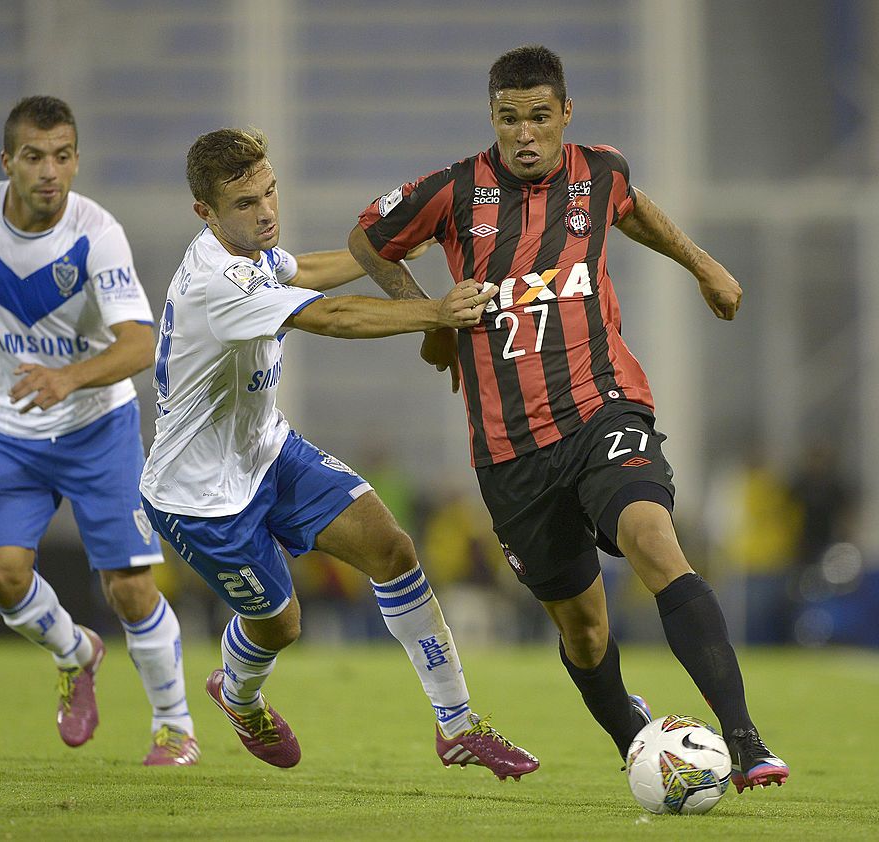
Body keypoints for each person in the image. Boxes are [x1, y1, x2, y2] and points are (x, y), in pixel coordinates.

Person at [348, 45, 788, 794]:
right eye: (510, 118)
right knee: (583, 630)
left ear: (565, 116)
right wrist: (424, 313)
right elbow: (367, 236)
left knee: (655, 542)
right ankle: (634, 739)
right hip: (510, 452)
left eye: (540, 118)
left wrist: (703, 263)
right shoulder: (455, 191)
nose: (525, 134)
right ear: (492, 116)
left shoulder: (599, 170)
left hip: (602, 408)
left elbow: (633, 206)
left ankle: (745, 741)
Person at [139, 127, 538, 780]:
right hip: (200, 498)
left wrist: (386, 240)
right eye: (245, 203)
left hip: (268, 452)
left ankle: (458, 726)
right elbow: (332, 316)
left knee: (393, 550)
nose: (267, 210)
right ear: (205, 214)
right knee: (280, 624)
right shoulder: (215, 284)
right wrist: (436, 312)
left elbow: (311, 269)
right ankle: (238, 694)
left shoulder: (255, 251)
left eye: (270, 192)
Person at [0, 96, 198, 766]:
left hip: (98, 424)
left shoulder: (96, 235)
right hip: (9, 426)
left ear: (76, 161)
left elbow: (142, 345)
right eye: (34, 156)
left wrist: (69, 378)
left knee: (131, 588)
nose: (49, 170)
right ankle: (75, 651)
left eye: (62, 156)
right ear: (9, 163)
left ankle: (174, 726)